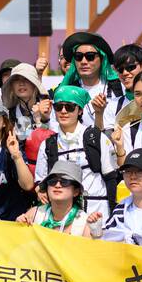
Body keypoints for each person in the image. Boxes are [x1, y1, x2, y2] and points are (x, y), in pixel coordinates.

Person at [32, 85, 116, 220]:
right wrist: (40, 191)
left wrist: (112, 211)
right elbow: (40, 180)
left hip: (98, 211)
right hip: (63, 217)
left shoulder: (96, 138)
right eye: (58, 107)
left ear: (80, 111)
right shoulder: (48, 144)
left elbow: (111, 177)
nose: (63, 111)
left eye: (70, 107)